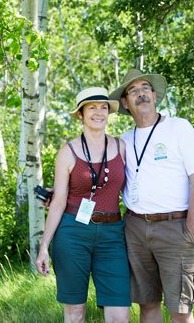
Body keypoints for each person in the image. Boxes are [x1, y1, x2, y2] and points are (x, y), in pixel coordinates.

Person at [109, 69, 194, 323]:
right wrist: (61, 192)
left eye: (145, 88)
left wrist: (190, 230)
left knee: (181, 309)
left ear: (154, 95)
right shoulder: (124, 140)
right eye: (133, 90)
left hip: (174, 227)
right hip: (135, 228)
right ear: (125, 103)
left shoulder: (179, 128)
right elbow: (104, 178)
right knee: (147, 304)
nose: (141, 93)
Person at [35, 87, 131, 323]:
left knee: (120, 314)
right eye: (92, 107)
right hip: (73, 233)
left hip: (113, 235)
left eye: (103, 107)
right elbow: (58, 201)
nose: (99, 112)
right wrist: (44, 246)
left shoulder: (122, 147)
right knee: (75, 312)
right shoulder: (67, 153)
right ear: (80, 114)